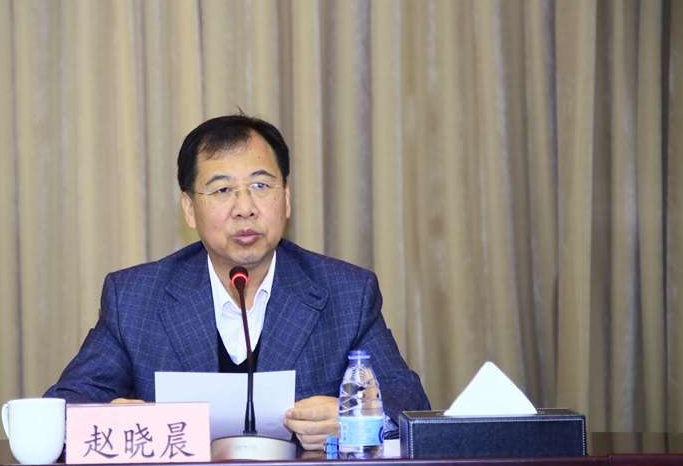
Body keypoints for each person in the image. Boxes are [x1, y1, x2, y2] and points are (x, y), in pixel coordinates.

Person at [45, 114, 430, 449]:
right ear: (189, 209)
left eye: (261, 186)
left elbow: (411, 407)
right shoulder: (135, 299)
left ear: (286, 199)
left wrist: (357, 418)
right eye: (222, 190)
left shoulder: (346, 293)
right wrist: (112, 418)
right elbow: (63, 408)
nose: (245, 208)